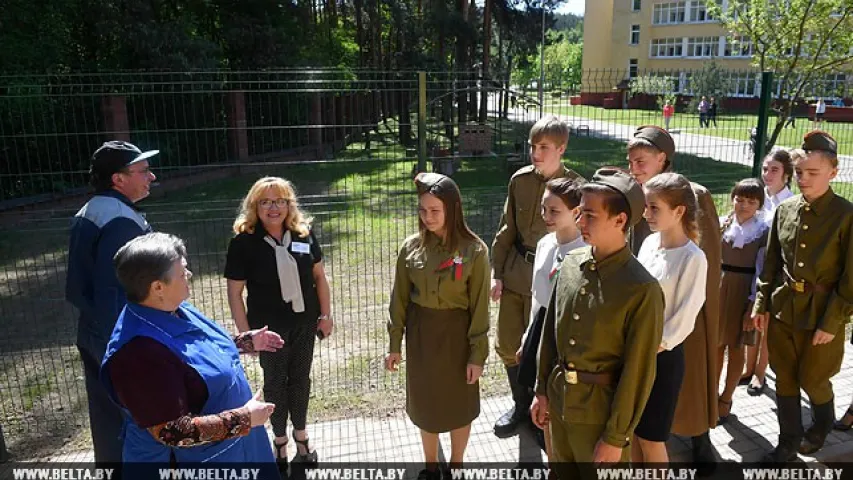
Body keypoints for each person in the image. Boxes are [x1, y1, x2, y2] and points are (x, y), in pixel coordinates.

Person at [100, 232, 281, 473]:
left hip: (236, 451)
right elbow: (172, 432)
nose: (190, 275)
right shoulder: (137, 353)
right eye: (183, 271)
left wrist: (245, 342)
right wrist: (244, 419)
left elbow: (191, 353)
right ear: (157, 287)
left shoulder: (173, 307)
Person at [531, 168, 664, 473]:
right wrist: (542, 390)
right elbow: (552, 334)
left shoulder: (641, 289)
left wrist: (616, 437)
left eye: (590, 215)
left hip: (599, 417)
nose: (580, 222)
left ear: (620, 220)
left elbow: (638, 372)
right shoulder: (571, 264)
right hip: (559, 400)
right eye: (579, 213)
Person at [751, 130, 853, 462]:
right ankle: (787, 443)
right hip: (784, 309)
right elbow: (770, 264)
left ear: (833, 172)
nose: (804, 179)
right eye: (800, 173)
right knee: (785, 378)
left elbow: (851, 279)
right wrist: (761, 303)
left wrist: (832, 322)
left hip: (823, 313)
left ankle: (822, 424)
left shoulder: (846, 215)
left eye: (813, 173)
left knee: (814, 377)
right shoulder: (786, 210)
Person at [625, 125, 722, 470]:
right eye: (630, 161)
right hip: (648, 319)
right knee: (642, 428)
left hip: (681, 318)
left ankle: (700, 440)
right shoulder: (639, 196)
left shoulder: (693, 196)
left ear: (662, 158)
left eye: (641, 160)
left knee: (692, 378)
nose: (633, 168)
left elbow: (705, 260)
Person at [386, 172, 490, 478]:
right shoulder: (411, 249)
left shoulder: (475, 251)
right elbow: (399, 300)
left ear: (453, 210)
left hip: (458, 338)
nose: (427, 217)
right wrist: (394, 344)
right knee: (425, 405)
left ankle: (456, 464)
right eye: (422, 210)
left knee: (460, 404)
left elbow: (480, 307)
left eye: (435, 211)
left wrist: (477, 355)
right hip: (422, 338)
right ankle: (431, 466)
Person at [225, 177, 332, 469]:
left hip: (304, 323)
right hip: (268, 331)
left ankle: (301, 435)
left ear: (289, 204)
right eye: (266, 202)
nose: (274, 208)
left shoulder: (303, 234)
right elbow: (235, 294)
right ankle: (280, 441)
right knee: (274, 384)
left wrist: (325, 315)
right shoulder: (243, 242)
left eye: (280, 201)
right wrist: (246, 335)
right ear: (254, 206)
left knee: (300, 380)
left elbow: (319, 277)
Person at [65, 140, 158, 464]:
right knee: (143, 419)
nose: (152, 177)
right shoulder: (120, 222)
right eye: (143, 171)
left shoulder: (92, 210)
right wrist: (129, 347)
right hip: (115, 336)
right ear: (118, 179)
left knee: (107, 422)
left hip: (92, 331)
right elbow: (113, 292)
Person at [490, 116, 583, 438]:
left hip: (557, 275)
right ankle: (520, 404)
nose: (536, 153)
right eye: (532, 146)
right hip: (518, 270)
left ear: (561, 148)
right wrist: (497, 273)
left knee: (548, 349)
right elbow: (506, 229)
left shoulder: (577, 187)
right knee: (507, 344)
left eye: (544, 147)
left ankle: (547, 410)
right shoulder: (520, 180)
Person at [634, 173, 708, 464]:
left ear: (678, 211)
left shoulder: (693, 258)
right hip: (636, 351)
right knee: (634, 433)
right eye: (646, 205)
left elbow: (684, 319)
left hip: (661, 358)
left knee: (652, 438)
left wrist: (648, 347)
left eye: (654, 208)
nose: (646, 213)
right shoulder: (650, 244)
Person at [516, 177, 587, 456]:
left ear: (577, 212)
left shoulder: (584, 251)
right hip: (541, 327)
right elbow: (538, 297)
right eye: (544, 209)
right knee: (541, 398)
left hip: (566, 334)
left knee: (561, 401)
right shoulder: (545, 244)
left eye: (554, 211)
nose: (546, 216)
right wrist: (527, 337)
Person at [741, 151, 795, 395]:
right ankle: (748, 367)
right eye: (765, 169)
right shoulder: (761, 199)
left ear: (786, 174)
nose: (767, 175)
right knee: (752, 320)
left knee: (766, 324)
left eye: (774, 170)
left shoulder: (789, 203)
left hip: (774, 272)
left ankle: (760, 374)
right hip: (753, 267)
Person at [715, 179, 769, 423]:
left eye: (751, 201)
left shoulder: (762, 231)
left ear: (759, 204)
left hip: (743, 291)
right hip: (719, 288)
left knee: (736, 347)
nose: (744, 205)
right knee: (716, 346)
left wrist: (753, 303)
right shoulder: (722, 223)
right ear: (732, 198)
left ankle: (726, 398)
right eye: (740, 199)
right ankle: (711, 395)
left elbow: (761, 270)